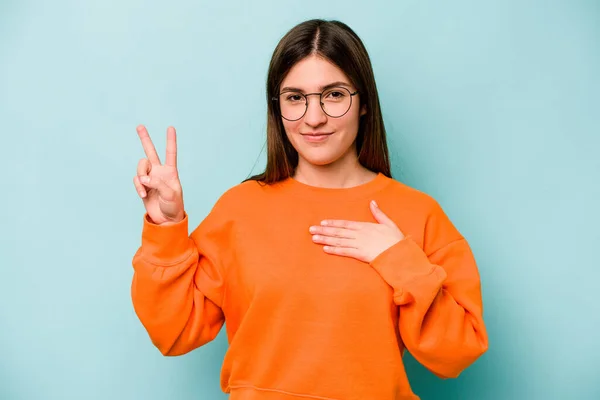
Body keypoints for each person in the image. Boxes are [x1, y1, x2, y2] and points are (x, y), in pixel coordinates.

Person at [131, 19, 488, 400]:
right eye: (295, 97)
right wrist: (166, 226)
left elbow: (458, 352)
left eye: (334, 95)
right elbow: (174, 332)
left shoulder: (417, 213)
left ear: (364, 102)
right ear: (277, 107)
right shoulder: (241, 209)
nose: (313, 118)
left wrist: (398, 258)